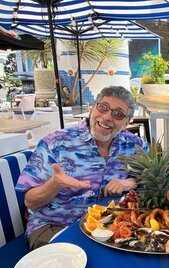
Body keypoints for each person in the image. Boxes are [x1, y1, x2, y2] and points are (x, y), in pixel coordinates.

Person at [16, 86, 147, 250]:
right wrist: (55, 184)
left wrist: (130, 181)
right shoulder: (55, 143)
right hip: (56, 226)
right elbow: (30, 201)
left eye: (118, 114)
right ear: (92, 108)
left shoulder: (135, 145)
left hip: (112, 227)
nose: (107, 117)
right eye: (103, 107)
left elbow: (150, 177)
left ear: (127, 122)